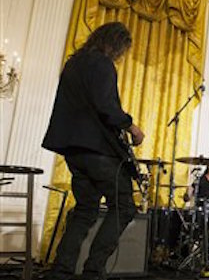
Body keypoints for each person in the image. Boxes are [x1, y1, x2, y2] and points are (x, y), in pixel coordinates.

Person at [42, 22, 145, 280]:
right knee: (123, 206)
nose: (120, 55)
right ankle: (93, 270)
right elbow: (105, 106)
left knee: (86, 209)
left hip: (74, 151)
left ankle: (61, 271)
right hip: (98, 150)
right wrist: (131, 126)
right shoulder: (102, 63)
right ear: (116, 44)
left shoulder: (73, 63)